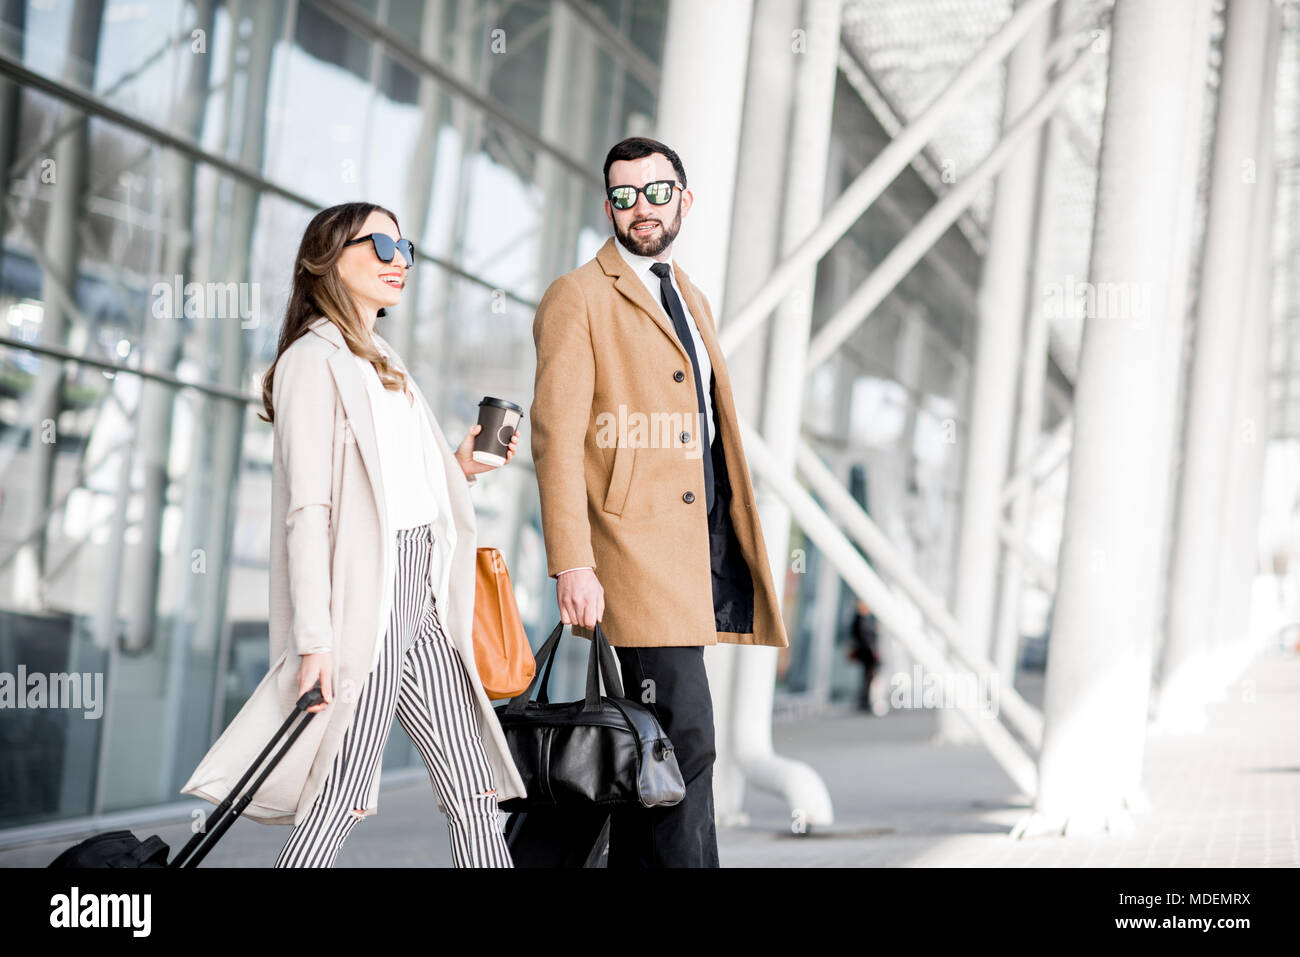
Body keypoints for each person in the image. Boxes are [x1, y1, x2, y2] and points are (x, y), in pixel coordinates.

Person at [182, 202, 526, 867]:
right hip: (367, 604)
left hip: (421, 588)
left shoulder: (385, 362)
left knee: (475, 789)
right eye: (382, 245)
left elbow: (396, 491)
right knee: (340, 797)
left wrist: (461, 466)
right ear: (328, 256)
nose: (400, 260)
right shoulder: (313, 361)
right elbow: (307, 511)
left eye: (406, 247)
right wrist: (313, 640)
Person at [528, 137, 790, 868]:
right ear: (606, 203)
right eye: (623, 195)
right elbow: (556, 437)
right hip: (629, 561)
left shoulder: (691, 296)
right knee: (685, 738)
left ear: (685, 198)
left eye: (656, 191)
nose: (640, 208)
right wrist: (571, 562)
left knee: (650, 757)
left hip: (691, 559)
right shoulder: (578, 295)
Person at [847, 599, 881, 712]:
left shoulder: (869, 618)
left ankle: (866, 700)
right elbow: (856, 635)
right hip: (865, 652)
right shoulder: (859, 619)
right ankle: (864, 701)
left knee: (869, 676)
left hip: (870, 652)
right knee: (866, 676)